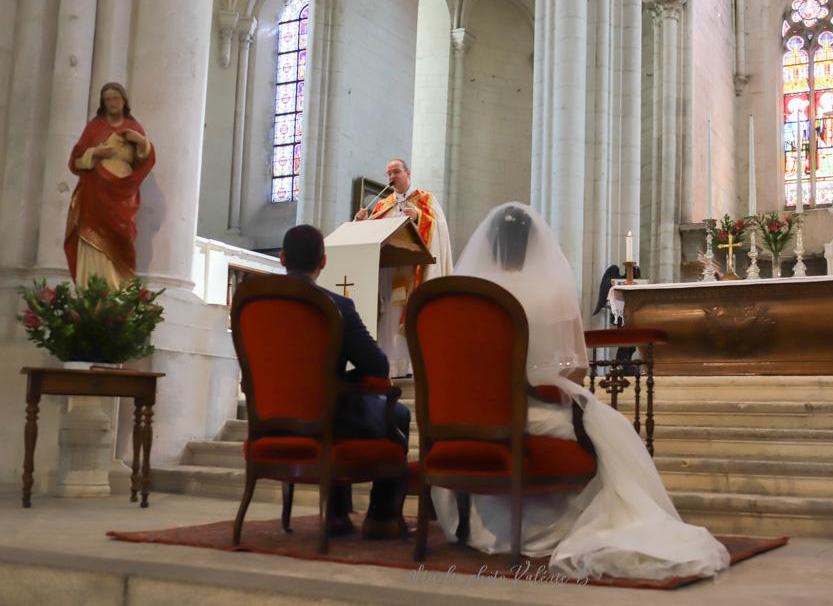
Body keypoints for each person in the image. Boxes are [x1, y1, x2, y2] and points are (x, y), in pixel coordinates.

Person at [431, 202, 730, 581]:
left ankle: (473, 526)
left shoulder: (464, 295)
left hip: (462, 417)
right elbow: (576, 367)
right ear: (534, 243)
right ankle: (571, 525)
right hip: (529, 411)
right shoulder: (551, 289)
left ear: (488, 242)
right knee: (608, 429)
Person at [279, 224, 411, 538]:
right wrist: (341, 377)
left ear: (282, 258)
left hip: (271, 417)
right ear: (323, 262)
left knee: (338, 398)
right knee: (399, 414)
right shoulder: (335, 306)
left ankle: (338, 514)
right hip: (324, 416)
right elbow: (377, 366)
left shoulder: (253, 302)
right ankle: (380, 518)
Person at [354, 158, 452, 376]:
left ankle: (409, 365)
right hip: (390, 269)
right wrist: (363, 223)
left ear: (408, 173)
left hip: (413, 269)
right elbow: (374, 235)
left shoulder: (425, 199)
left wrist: (418, 217)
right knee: (389, 313)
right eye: (389, 173)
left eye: (396, 172)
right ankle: (389, 364)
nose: (391, 177)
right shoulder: (383, 204)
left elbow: (440, 228)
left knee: (408, 311)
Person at [64, 82, 155, 290]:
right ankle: (90, 292)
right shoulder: (95, 127)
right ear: (103, 103)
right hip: (94, 193)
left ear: (124, 101)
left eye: (116, 98)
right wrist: (95, 153)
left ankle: (118, 293)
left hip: (123, 193)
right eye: (107, 99)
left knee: (123, 238)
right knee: (91, 239)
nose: (112, 103)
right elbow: (75, 161)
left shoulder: (134, 128)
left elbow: (144, 161)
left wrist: (142, 142)